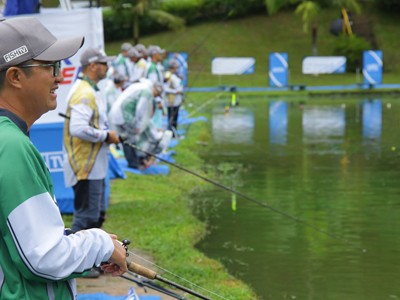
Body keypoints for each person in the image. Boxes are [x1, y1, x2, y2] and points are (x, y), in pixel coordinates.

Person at [0, 17, 127, 299]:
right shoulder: (10, 146)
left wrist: (80, 246)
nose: (59, 76)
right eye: (50, 66)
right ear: (15, 77)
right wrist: (100, 243)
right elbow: (43, 258)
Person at [63, 47, 120, 234]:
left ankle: (92, 260)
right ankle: (71, 258)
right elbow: (77, 129)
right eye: (104, 63)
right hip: (85, 166)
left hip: (94, 165)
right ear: (93, 66)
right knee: (85, 218)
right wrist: (106, 136)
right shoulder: (84, 93)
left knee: (96, 217)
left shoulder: (91, 90)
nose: (108, 67)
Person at [109, 80, 172, 169]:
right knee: (130, 140)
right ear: (156, 90)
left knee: (127, 139)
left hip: (119, 113)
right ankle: (134, 163)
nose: (155, 97)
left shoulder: (142, 86)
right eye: (156, 95)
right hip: (125, 115)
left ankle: (135, 161)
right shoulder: (147, 92)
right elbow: (140, 109)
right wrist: (138, 125)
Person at [164, 59, 184, 137]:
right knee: (171, 118)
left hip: (177, 100)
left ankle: (174, 133)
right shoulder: (168, 76)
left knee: (175, 117)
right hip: (171, 101)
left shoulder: (176, 76)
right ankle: (171, 134)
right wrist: (176, 91)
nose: (176, 69)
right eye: (175, 68)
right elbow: (165, 88)